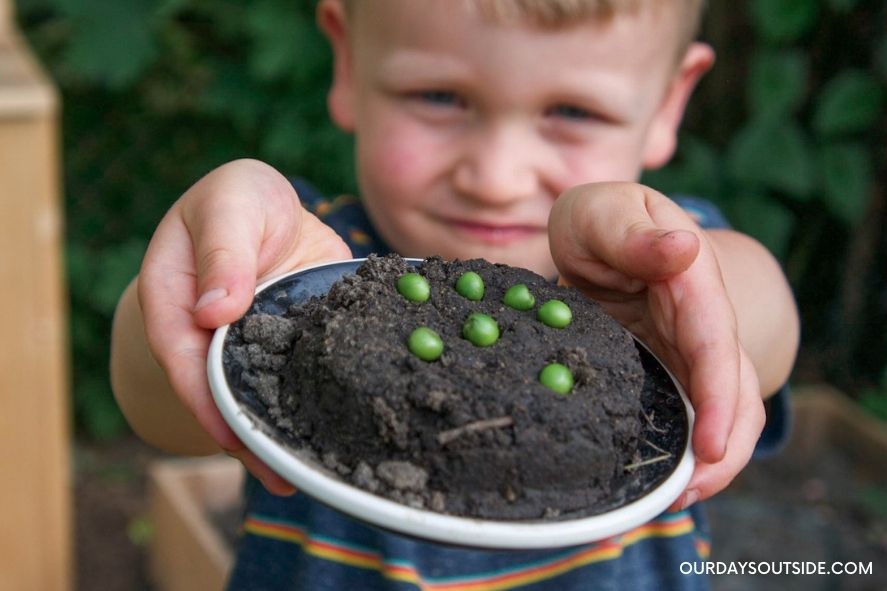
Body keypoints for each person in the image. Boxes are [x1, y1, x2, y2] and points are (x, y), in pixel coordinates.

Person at [110, 0, 799, 588]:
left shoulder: (650, 267)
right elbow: (159, 404)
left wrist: (682, 295)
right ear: (347, 61)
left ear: (668, 103)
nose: (495, 177)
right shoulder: (302, 279)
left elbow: (758, 318)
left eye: (572, 110)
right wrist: (212, 285)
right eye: (439, 97)